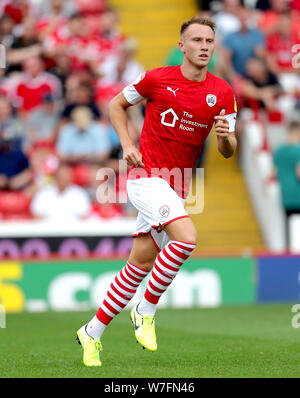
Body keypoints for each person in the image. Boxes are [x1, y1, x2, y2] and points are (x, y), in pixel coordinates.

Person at [76, 16, 237, 367]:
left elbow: (228, 151)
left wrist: (225, 135)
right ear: (182, 46)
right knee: (187, 238)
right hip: (146, 177)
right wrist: (126, 144)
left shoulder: (223, 93)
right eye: (196, 40)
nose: (204, 46)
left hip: (178, 185)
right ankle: (145, 310)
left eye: (209, 40)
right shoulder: (157, 79)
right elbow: (115, 104)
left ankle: (91, 332)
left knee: (140, 263)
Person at [273, 121, 300, 247]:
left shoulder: (278, 151)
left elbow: (273, 173)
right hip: (297, 195)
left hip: (285, 197)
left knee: (289, 231)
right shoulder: (298, 151)